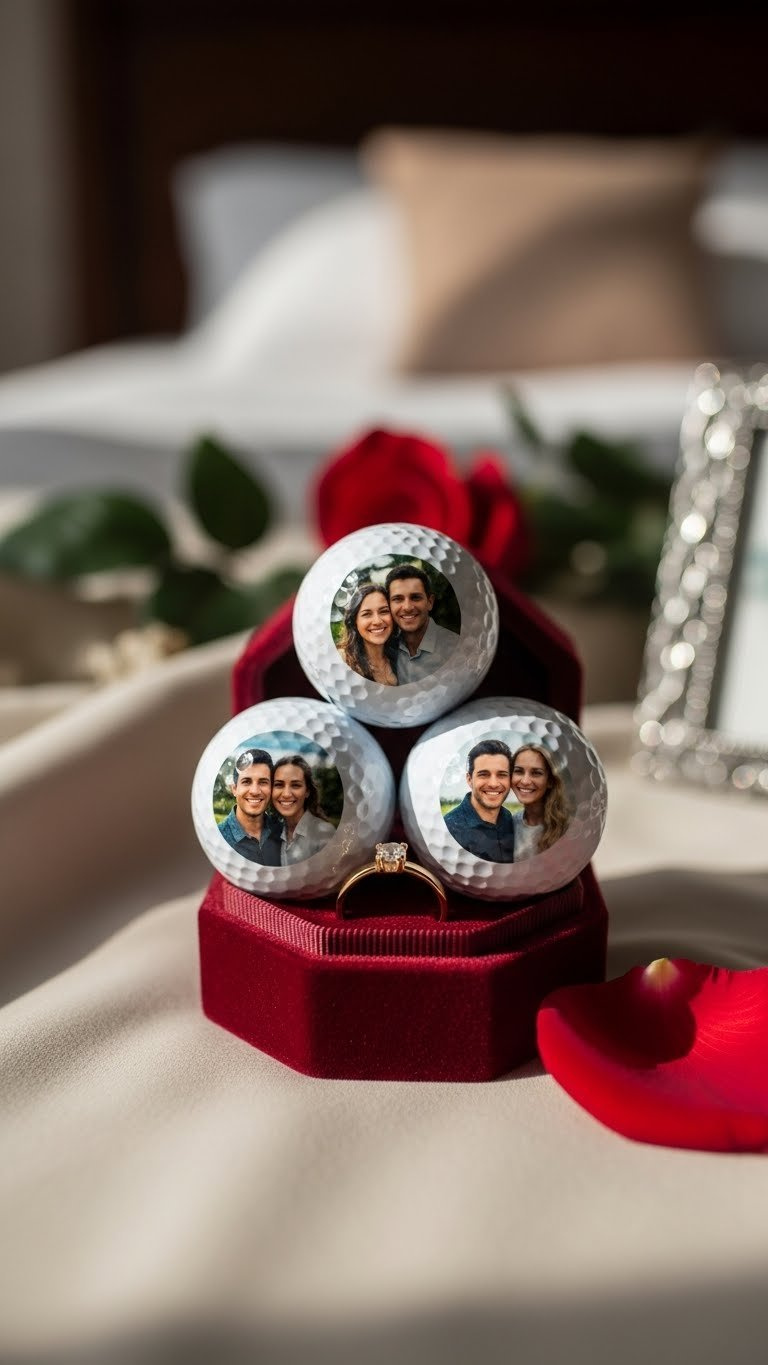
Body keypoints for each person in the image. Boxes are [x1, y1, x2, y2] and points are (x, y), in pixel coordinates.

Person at [443, 740, 516, 862]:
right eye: (484, 774)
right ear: (469, 779)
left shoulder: (510, 820)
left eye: (502, 775)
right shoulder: (449, 828)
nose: (493, 784)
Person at [385, 564, 459, 684]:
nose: (407, 607)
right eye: (398, 599)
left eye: (415, 598)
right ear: (389, 605)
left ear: (430, 602)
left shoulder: (457, 648)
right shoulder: (386, 649)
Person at [218, 749, 282, 865]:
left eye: (263, 782)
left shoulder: (284, 833)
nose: (255, 791)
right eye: (246, 782)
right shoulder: (218, 837)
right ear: (234, 789)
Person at [272, 755, 337, 865]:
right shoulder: (274, 831)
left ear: (307, 791)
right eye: (279, 785)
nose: (286, 794)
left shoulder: (324, 833)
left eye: (295, 785)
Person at [509, 745, 571, 860]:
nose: (525, 781)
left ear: (550, 781)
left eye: (536, 773)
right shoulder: (509, 825)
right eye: (518, 771)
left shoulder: (568, 828)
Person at [338, 583, 399, 685]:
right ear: (354, 621)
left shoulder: (401, 655)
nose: (377, 621)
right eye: (366, 614)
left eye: (384, 611)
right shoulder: (343, 660)